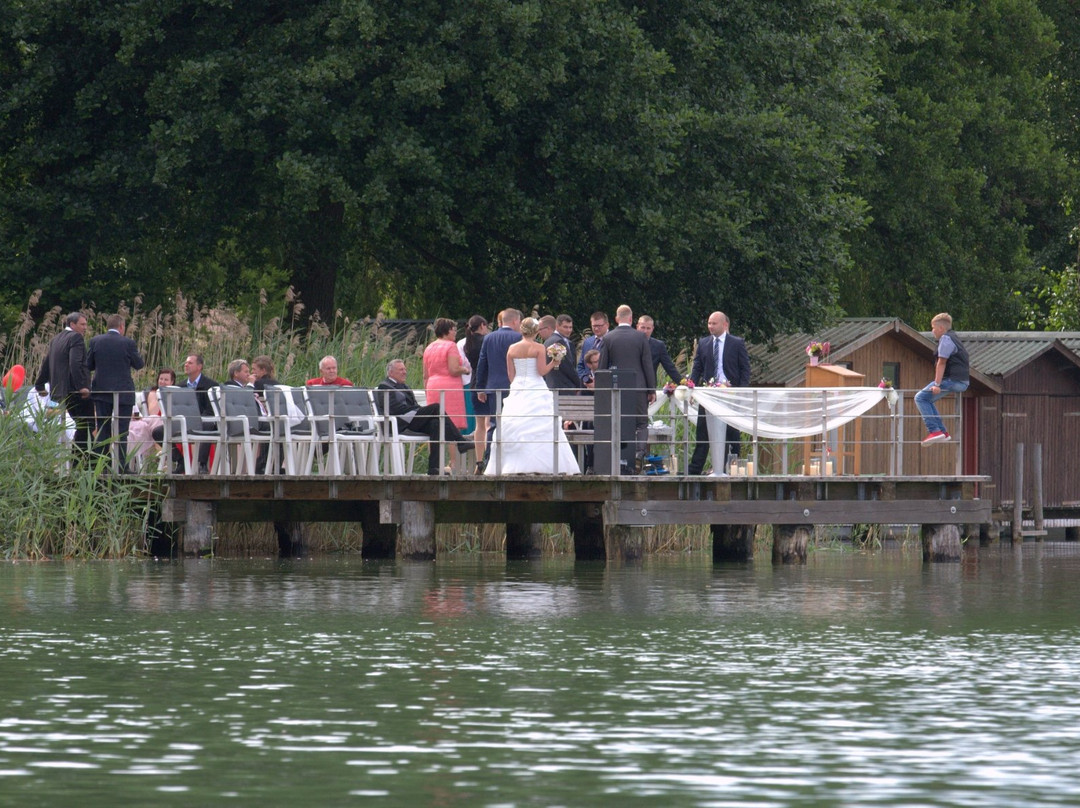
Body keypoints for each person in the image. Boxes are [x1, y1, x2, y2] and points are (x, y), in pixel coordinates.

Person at [484, 317, 580, 475]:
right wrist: (554, 363)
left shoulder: (512, 349)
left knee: (515, 424)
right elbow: (541, 371)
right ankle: (547, 466)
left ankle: (512, 464)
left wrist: (519, 384)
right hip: (536, 386)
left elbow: (511, 376)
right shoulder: (539, 347)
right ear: (536, 331)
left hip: (518, 387)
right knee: (543, 425)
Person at [376, 359, 473, 475]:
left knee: (435, 424)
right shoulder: (385, 386)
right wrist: (416, 410)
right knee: (436, 407)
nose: (404, 372)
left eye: (405, 369)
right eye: (401, 370)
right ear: (391, 373)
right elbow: (394, 409)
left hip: (411, 419)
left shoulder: (404, 386)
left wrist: (416, 409)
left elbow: (413, 404)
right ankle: (460, 441)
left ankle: (434, 468)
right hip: (400, 422)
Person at [688, 311, 752, 475]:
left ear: (725, 324)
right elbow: (697, 368)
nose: (710, 326)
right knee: (703, 431)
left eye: (714, 323)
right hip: (708, 394)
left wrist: (741, 392)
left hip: (730, 394)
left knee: (732, 431)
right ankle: (695, 469)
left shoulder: (736, 343)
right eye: (709, 323)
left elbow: (745, 369)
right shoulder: (704, 343)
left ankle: (732, 466)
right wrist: (691, 388)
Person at [599, 305, 657, 473]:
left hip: (617, 389)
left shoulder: (608, 338)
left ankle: (620, 460)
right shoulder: (641, 337)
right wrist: (651, 390)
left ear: (617, 319)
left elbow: (602, 368)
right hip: (638, 387)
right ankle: (639, 453)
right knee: (641, 424)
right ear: (631, 319)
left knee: (619, 423)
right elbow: (647, 365)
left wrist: (602, 391)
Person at [87, 314, 145, 472]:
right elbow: (139, 364)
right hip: (123, 392)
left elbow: (89, 365)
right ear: (121, 327)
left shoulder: (95, 341)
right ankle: (121, 466)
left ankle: (102, 466)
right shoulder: (128, 343)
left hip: (101, 391)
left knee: (103, 429)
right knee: (122, 430)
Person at [34, 311, 94, 453]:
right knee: (87, 425)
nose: (85, 328)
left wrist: (39, 384)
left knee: (78, 425)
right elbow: (75, 363)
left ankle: (76, 458)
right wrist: (82, 386)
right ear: (72, 324)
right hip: (75, 392)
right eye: (82, 324)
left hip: (59, 392)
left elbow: (47, 362)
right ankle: (80, 460)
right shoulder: (76, 338)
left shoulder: (56, 339)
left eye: (86, 324)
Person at [473, 308, 523, 473]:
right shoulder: (518, 338)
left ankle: (489, 460)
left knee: (494, 425)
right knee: (514, 423)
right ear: (515, 321)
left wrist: (480, 388)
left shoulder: (488, 337)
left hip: (493, 387)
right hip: (514, 387)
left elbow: (482, 364)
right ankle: (512, 461)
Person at [152, 353, 219, 473]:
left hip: (203, 421)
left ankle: (202, 464)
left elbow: (210, 411)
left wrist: (196, 420)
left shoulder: (211, 385)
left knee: (209, 426)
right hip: (181, 422)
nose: (186, 365)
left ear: (199, 366)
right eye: (186, 362)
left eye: (190, 363)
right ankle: (181, 460)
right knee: (158, 432)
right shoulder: (180, 386)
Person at [916, 312, 970, 444]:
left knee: (920, 398)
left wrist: (937, 385)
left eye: (933, 328)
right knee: (928, 400)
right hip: (963, 381)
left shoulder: (946, 339)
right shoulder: (954, 337)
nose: (932, 331)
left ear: (941, 328)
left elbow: (941, 363)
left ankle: (934, 431)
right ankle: (943, 432)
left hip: (953, 380)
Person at [423, 317, 469, 431]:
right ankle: (453, 443)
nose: (455, 332)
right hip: (449, 388)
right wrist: (465, 370)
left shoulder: (429, 347)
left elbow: (425, 375)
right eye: (454, 330)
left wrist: (427, 390)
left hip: (432, 386)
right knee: (452, 423)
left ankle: (436, 443)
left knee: (436, 422)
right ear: (447, 330)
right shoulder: (451, 345)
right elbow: (453, 369)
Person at [127, 368, 176, 466]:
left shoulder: (176, 393)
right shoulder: (154, 393)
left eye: (166, 380)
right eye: (161, 379)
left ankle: (168, 455)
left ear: (172, 382)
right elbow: (154, 414)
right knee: (156, 421)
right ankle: (162, 453)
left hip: (172, 422)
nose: (162, 382)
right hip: (158, 422)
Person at [460, 314, 489, 449]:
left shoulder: (467, 344)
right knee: (489, 423)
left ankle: (479, 457)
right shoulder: (486, 341)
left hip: (474, 383)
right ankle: (489, 455)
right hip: (486, 383)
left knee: (479, 425)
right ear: (482, 325)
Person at [636, 314, 682, 384]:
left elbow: (669, 367)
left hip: (649, 386)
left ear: (652, 329)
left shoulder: (658, 346)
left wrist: (683, 383)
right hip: (630, 385)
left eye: (648, 328)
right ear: (637, 327)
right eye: (643, 327)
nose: (645, 331)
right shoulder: (629, 343)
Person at [544, 314, 581, 391]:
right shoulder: (558, 342)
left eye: (570, 327)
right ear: (557, 326)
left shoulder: (549, 340)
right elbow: (567, 367)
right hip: (562, 386)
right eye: (565, 327)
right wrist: (578, 384)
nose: (569, 330)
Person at [577, 311, 610, 382]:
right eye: (594, 326)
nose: (596, 329)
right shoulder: (587, 342)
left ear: (607, 325)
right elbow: (581, 365)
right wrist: (586, 379)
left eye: (599, 326)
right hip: (587, 385)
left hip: (605, 384)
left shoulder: (612, 341)